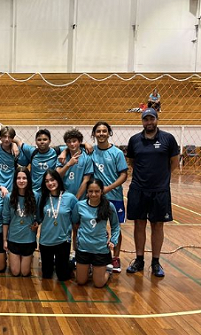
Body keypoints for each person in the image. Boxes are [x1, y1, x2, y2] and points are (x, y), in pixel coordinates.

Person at [126, 108, 179, 277]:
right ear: (142, 121)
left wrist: (162, 178)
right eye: (146, 119)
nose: (149, 122)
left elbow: (174, 162)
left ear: (157, 119)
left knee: (157, 225)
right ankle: (139, 260)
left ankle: (156, 262)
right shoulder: (134, 140)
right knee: (139, 224)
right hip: (138, 189)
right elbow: (132, 161)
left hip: (160, 191)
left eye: (151, 119)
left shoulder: (168, 139)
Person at [91, 121, 128, 273]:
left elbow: (124, 175)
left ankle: (115, 257)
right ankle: (95, 255)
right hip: (96, 198)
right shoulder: (90, 151)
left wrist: (108, 188)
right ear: (94, 134)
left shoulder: (117, 153)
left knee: (116, 228)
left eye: (104, 131)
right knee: (95, 226)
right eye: (98, 131)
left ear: (109, 133)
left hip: (114, 196)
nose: (101, 134)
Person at [72, 178, 120, 288]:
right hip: (83, 248)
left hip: (100, 249)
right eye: (90, 191)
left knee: (98, 284)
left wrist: (113, 241)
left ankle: (108, 271)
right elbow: (75, 221)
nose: (93, 194)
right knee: (80, 281)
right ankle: (89, 269)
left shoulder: (109, 206)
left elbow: (115, 225)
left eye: (97, 191)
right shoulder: (79, 205)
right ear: (87, 192)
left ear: (102, 191)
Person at [38, 170, 77, 281]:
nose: (50, 183)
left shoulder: (70, 198)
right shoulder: (43, 197)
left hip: (62, 240)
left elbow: (75, 219)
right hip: (46, 241)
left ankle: (71, 264)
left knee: (63, 276)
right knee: (46, 275)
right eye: (47, 181)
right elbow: (39, 218)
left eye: (52, 180)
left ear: (58, 180)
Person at [2, 166, 40, 277]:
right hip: (13, 238)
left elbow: (39, 217)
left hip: (29, 239)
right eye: (19, 178)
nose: (21, 181)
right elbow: (5, 220)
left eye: (24, 178)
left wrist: (36, 224)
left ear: (28, 180)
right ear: (15, 180)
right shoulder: (9, 197)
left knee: (24, 272)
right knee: (15, 272)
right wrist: (5, 240)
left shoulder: (36, 196)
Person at [56, 128, 94, 199]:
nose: (72, 144)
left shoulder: (87, 158)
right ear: (66, 144)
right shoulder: (62, 157)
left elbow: (86, 180)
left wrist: (76, 199)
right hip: (63, 196)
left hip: (80, 198)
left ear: (80, 142)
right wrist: (68, 164)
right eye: (69, 142)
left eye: (74, 141)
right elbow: (58, 176)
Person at [0, 126, 29, 191]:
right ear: (0, 137)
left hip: (10, 188)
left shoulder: (16, 151)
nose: (7, 139)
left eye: (9, 137)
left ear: (12, 138)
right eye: (4, 136)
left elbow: (25, 163)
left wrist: (16, 143)